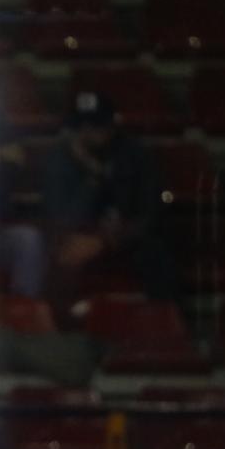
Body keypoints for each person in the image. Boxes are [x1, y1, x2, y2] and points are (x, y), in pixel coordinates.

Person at [42, 91, 175, 320]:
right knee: (63, 256)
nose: (89, 132)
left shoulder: (135, 154)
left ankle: (168, 329)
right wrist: (93, 179)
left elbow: (150, 213)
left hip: (126, 238)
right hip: (79, 237)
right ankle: (62, 334)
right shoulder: (60, 159)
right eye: (81, 126)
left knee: (156, 254)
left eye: (96, 125)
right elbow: (62, 217)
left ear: (111, 125)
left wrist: (107, 240)